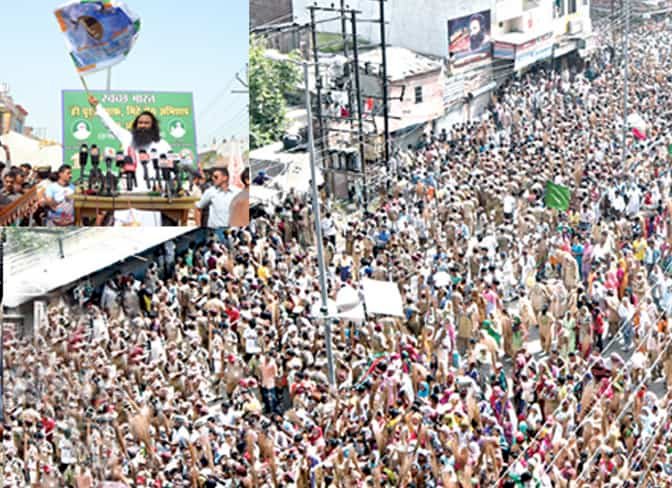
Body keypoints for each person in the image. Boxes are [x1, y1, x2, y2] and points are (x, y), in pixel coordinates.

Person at [87, 95, 171, 192]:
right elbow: (111, 125)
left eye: (146, 123)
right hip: (129, 193)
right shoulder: (128, 138)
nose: (143, 125)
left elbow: (170, 169)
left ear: (153, 126)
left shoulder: (162, 144)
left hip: (154, 193)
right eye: (140, 123)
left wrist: (163, 185)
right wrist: (97, 106)